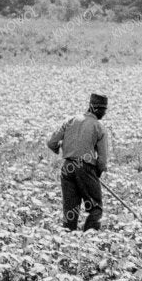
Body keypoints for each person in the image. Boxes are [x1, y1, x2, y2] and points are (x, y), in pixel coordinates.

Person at [47, 91, 111, 231]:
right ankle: (89, 240)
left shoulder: (71, 120)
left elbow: (52, 142)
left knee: (71, 211)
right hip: (85, 169)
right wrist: (96, 174)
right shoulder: (99, 127)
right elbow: (102, 161)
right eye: (103, 110)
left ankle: (68, 242)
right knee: (95, 209)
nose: (104, 113)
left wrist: (60, 148)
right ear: (96, 108)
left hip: (67, 168)